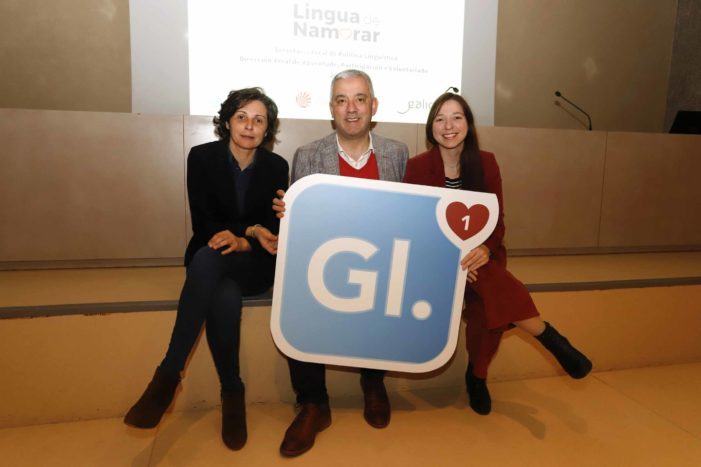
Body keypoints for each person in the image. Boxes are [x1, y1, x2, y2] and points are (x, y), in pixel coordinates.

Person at [403, 92, 592, 415]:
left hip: (481, 257)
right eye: (440, 118)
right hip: (436, 262)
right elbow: (414, 225)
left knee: (484, 305)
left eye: (457, 117)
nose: (448, 126)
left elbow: (496, 220)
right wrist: (454, 260)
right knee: (490, 286)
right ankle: (545, 335)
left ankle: (476, 377)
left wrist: (484, 249)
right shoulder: (417, 167)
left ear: (469, 124)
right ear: (430, 127)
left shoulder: (486, 162)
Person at [123, 88, 289, 451]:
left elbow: (273, 226)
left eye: (259, 120)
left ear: (267, 130)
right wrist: (246, 230)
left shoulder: (277, 167)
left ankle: (168, 375)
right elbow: (205, 221)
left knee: (208, 263)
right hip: (213, 255)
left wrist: (248, 238)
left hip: (253, 264)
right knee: (220, 287)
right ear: (227, 121)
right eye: (242, 116)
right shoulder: (201, 157)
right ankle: (232, 392)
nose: (249, 126)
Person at [272, 69, 409, 457]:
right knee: (297, 303)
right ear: (330, 108)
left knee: (390, 289)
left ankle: (373, 382)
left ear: (374, 105)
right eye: (341, 100)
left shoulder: (397, 153)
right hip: (325, 265)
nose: (351, 109)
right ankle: (314, 404)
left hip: (379, 263)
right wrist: (287, 213)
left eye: (360, 99)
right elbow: (300, 226)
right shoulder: (308, 154)